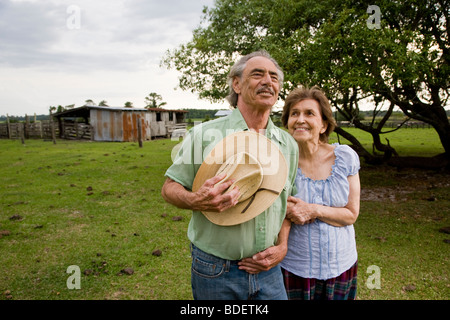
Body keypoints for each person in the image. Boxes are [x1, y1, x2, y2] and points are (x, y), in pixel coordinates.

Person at [161, 51, 299, 300]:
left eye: (274, 77)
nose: (268, 81)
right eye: (258, 74)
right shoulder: (203, 135)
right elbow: (169, 188)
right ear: (236, 84)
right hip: (215, 270)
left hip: (269, 271)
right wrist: (196, 200)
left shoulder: (288, 144)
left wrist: (282, 246)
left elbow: (287, 202)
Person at [279, 86, 361, 300]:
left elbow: (351, 214)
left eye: (309, 113)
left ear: (324, 124)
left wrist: (312, 210)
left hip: (341, 265)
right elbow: (276, 209)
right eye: (294, 114)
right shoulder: (281, 162)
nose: (300, 119)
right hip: (296, 267)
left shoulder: (345, 157)